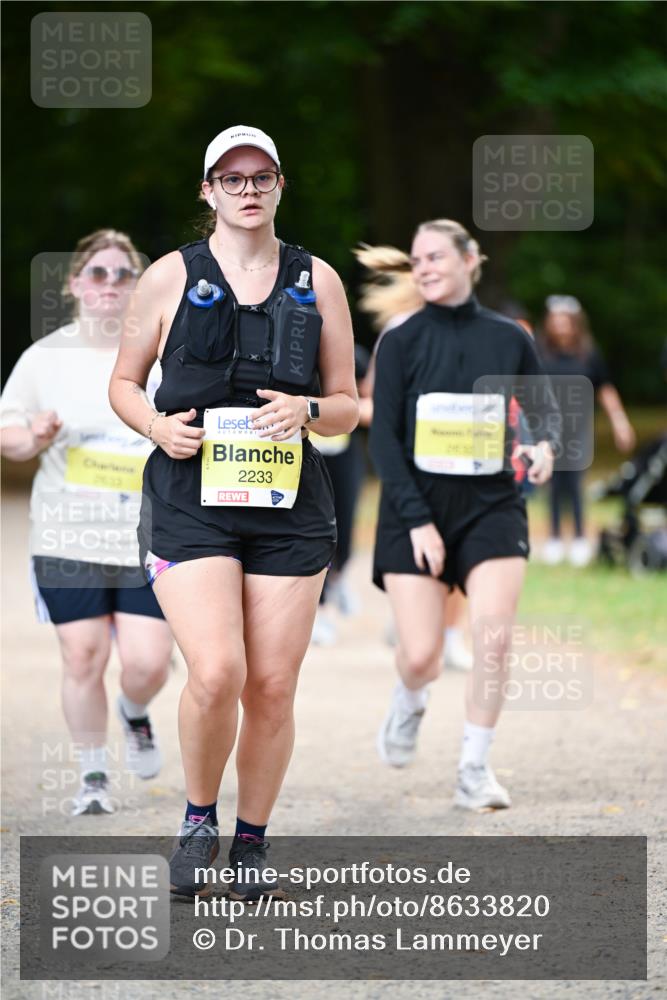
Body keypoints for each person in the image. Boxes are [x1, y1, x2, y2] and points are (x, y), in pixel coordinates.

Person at [108, 126, 357, 898]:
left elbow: (347, 405)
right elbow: (123, 383)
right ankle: (197, 822)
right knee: (217, 671)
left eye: (261, 176)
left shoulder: (317, 279)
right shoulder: (167, 277)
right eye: (232, 178)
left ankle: (252, 841)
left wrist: (307, 409)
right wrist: (156, 427)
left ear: (280, 185)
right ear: (207, 190)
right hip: (190, 499)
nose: (248, 190)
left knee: (271, 686)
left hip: (289, 505)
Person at [369, 219, 560, 809]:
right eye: (416, 259)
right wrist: (418, 521)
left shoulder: (508, 338)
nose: (423, 267)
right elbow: (384, 442)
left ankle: (474, 769)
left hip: (491, 505)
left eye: (435, 256)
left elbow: (544, 411)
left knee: (493, 640)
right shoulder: (400, 341)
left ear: (470, 259)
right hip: (415, 507)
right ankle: (410, 698)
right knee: (421, 656)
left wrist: (544, 445)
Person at [0, 229, 172, 816]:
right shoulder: (44, 358)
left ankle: (134, 710)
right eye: (98, 273)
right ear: (75, 283)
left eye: (124, 274)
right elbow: (8, 433)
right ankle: (93, 777)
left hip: (148, 535)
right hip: (66, 535)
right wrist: (33, 435)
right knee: (83, 656)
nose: (111, 284)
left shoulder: (161, 355)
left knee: (147, 664)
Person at [355, 244, 473, 672]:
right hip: (410, 466)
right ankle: (413, 618)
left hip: (461, 459)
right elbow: (371, 398)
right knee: (417, 550)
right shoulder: (400, 329)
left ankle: (451, 634)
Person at [538, 295, 635, 566]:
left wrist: (619, 421)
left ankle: (580, 536)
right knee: (553, 484)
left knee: (574, 482)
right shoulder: (540, 353)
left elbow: (605, 388)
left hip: (578, 429)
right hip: (548, 429)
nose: (560, 327)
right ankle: (555, 537)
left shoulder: (589, 354)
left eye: (565, 321)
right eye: (555, 321)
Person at [310, 342, 370, 646]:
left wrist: (351, 410)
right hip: (305, 455)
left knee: (343, 534)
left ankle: (338, 579)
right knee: (316, 533)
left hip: (343, 456)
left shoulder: (352, 355)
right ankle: (319, 610)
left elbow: (366, 401)